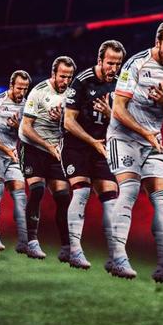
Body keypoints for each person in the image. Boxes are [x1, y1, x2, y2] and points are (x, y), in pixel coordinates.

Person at [106, 20, 163, 283]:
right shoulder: (136, 64)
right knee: (129, 190)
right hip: (124, 138)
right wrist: (145, 133)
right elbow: (118, 108)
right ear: (157, 42)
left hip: (153, 142)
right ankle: (118, 258)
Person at [62, 40, 125, 270]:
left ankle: (116, 257)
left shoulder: (120, 84)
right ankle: (75, 251)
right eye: (110, 63)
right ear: (100, 60)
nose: (114, 69)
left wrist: (110, 113)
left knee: (111, 199)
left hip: (101, 148)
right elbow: (68, 121)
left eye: (118, 64)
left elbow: (123, 120)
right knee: (82, 192)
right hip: (76, 146)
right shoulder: (82, 81)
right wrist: (92, 142)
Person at [19, 56, 75, 260]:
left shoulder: (72, 94)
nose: (66, 81)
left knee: (63, 197)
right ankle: (32, 243)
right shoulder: (39, 91)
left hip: (55, 150)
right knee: (37, 190)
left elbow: (74, 124)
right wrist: (47, 146)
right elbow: (26, 127)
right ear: (53, 74)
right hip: (33, 146)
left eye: (69, 77)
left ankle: (67, 248)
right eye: (62, 76)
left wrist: (62, 121)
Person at [0, 70, 33, 254]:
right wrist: (7, 150)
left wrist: (18, 127)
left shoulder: (26, 105)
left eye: (25, 89)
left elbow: (27, 133)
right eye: (19, 88)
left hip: (11, 154)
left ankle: (24, 241)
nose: (22, 92)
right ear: (11, 86)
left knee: (20, 195)